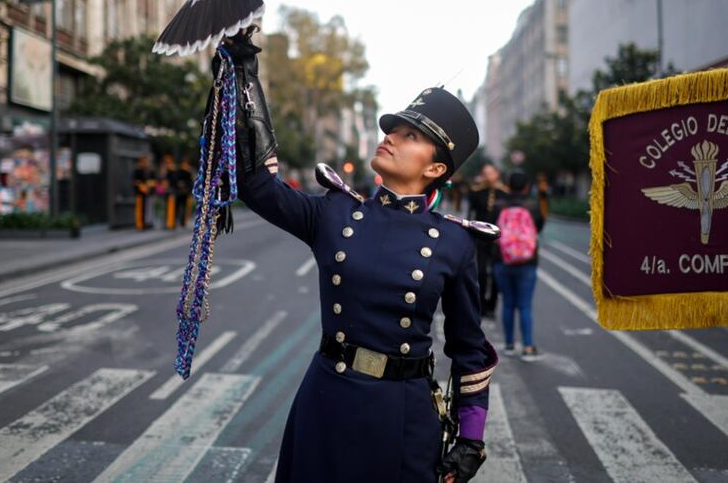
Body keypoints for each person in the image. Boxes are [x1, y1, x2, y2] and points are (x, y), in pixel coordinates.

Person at [225, 31, 500, 483]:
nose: (390, 137)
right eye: (392, 129)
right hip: (328, 398)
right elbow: (258, 186)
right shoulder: (335, 211)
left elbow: (469, 350)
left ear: (434, 169)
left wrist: (471, 439)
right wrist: (244, 78)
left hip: (404, 413)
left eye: (409, 136)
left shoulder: (453, 242)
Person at [492, 168, 545, 360]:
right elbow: (538, 227)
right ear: (527, 187)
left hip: (502, 259)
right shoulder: (533, 204)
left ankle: (508, 345)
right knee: (525, 305)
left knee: (507, 304)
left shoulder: (498, 204)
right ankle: (528, 347)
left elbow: (492, 230)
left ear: (507, 185)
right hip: (527, 261)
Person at [467, 164, 508, 319]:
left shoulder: (504, 193)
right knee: (481, 272)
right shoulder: (476, 192)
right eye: (485, 173)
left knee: (497, 273)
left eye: (491, 173)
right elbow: (470, 214)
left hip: (498, 238)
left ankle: (492, 305)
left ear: (497, 174)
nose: (488, 176)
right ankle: (481, 305)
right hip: (480, 237)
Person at [133, 155, 157, 230]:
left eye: (146, 161)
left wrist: (149, 186)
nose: (145, 163)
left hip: (149, 192)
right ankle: (140, 224)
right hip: (140, 192)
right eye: (143, 161)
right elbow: (135, 181)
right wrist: (142, 186)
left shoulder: (151, 170)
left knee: (149, 208)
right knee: (140, 209)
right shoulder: (137, 170)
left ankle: (148, 223)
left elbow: (154, 181)